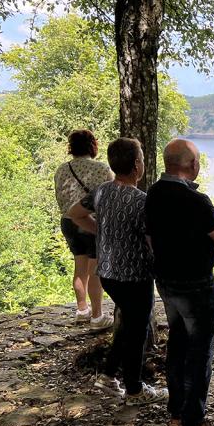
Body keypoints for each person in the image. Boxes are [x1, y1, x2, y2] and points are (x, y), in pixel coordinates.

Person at [145, 138, 214, 426]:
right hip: (197, 286)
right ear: (192, 165)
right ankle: (194, 420)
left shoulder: (154, 194)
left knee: (178, 345)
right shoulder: (197, 202)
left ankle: (176, 413)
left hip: (167, 282)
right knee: (199, 353)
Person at [68, 138, 167, 405]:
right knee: (136, 332)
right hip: (135, 275)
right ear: (137, 165)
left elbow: (74, 213)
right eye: (143, 158)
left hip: (108, 273)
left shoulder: (102, 192)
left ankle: (108, 375)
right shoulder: (141, 201)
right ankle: (135, 390)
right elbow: (151, 240)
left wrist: (101, 230)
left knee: (128, 327)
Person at [54, 129, 114, 329]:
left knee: (79, 267)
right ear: (92, 145)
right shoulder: (102, 169)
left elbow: (60, 197)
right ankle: (97, 316)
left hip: (68, 221)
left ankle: (82, 310)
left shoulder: (62, 170)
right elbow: (111, 196)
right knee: (95, 268)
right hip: (91, 222)